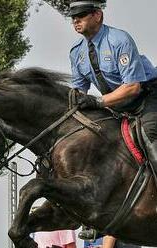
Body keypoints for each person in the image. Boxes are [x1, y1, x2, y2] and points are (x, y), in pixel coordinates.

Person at [68, 0, 157, 240]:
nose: (76, 20)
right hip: (118, 108)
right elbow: (78, 94)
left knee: (150, 138)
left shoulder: (119, 40)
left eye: (82, 15)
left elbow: (132, 87)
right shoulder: (77, 53)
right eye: (73, 17)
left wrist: (97, 102)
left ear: (98, 15)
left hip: (147, 98)